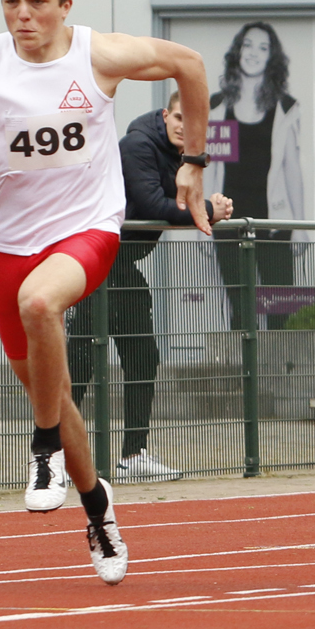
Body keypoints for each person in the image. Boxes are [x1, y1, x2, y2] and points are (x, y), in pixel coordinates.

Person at [0, 0, 213, 585]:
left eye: (37, 2)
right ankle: (98, 507)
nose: (23, 15)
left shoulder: (97, 53)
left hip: (86, 232)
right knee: (55, 391)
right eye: (11, 1)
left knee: (42, 302)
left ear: (65, 4)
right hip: (7, 247)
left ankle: (42, 446)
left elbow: (189, 63)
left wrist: (193, 163)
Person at [67, 90, 235, 484]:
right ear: (165, 115)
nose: (184, 127)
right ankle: (56, 456)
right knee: (80, 361)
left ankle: (133, 454)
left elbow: (171, 203)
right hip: (96, 261)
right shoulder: (138, 145)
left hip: (121, 265)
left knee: (142, 356)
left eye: (192, 122)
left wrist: (202, 201)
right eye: (178, 117)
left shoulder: (182, 155)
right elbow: (155, 205)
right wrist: (210, 210)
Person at [206, 21, 305, 332]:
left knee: (280, 307)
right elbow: (209, 166)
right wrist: (204, 220)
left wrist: (299, 226)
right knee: (241, 307)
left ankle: (277, 376)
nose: (253, 53)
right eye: (248, 45)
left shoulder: (286, 108)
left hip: (272, 222)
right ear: (238, 51)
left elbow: (292, 168)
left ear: (271, 57)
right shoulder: (218, 106)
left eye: (263, 48)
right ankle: (244, 378)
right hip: (228, 223)